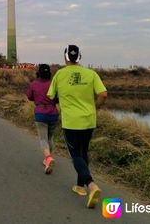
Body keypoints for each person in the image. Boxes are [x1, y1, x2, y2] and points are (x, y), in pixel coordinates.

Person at [47, 44, 107, 209]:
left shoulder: (59, 74)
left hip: (71, 121)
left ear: (65, 57)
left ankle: (91, 185)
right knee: (83, 152)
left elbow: (51, 96)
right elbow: (103, 94)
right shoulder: (91, 73)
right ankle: (80, 187)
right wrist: (95, 107)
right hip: (89, 120)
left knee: (75, 155)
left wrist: (60, 105)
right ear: (79, 56)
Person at [26, 64, 59, 174]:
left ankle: (48, 158)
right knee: (50, 137)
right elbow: (58, 98)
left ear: (38, 73)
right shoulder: (53, 83)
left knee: (43, 139)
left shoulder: (34, 84)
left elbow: (29, 97)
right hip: (53, 113)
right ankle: (47, 160)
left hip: (40, 114)